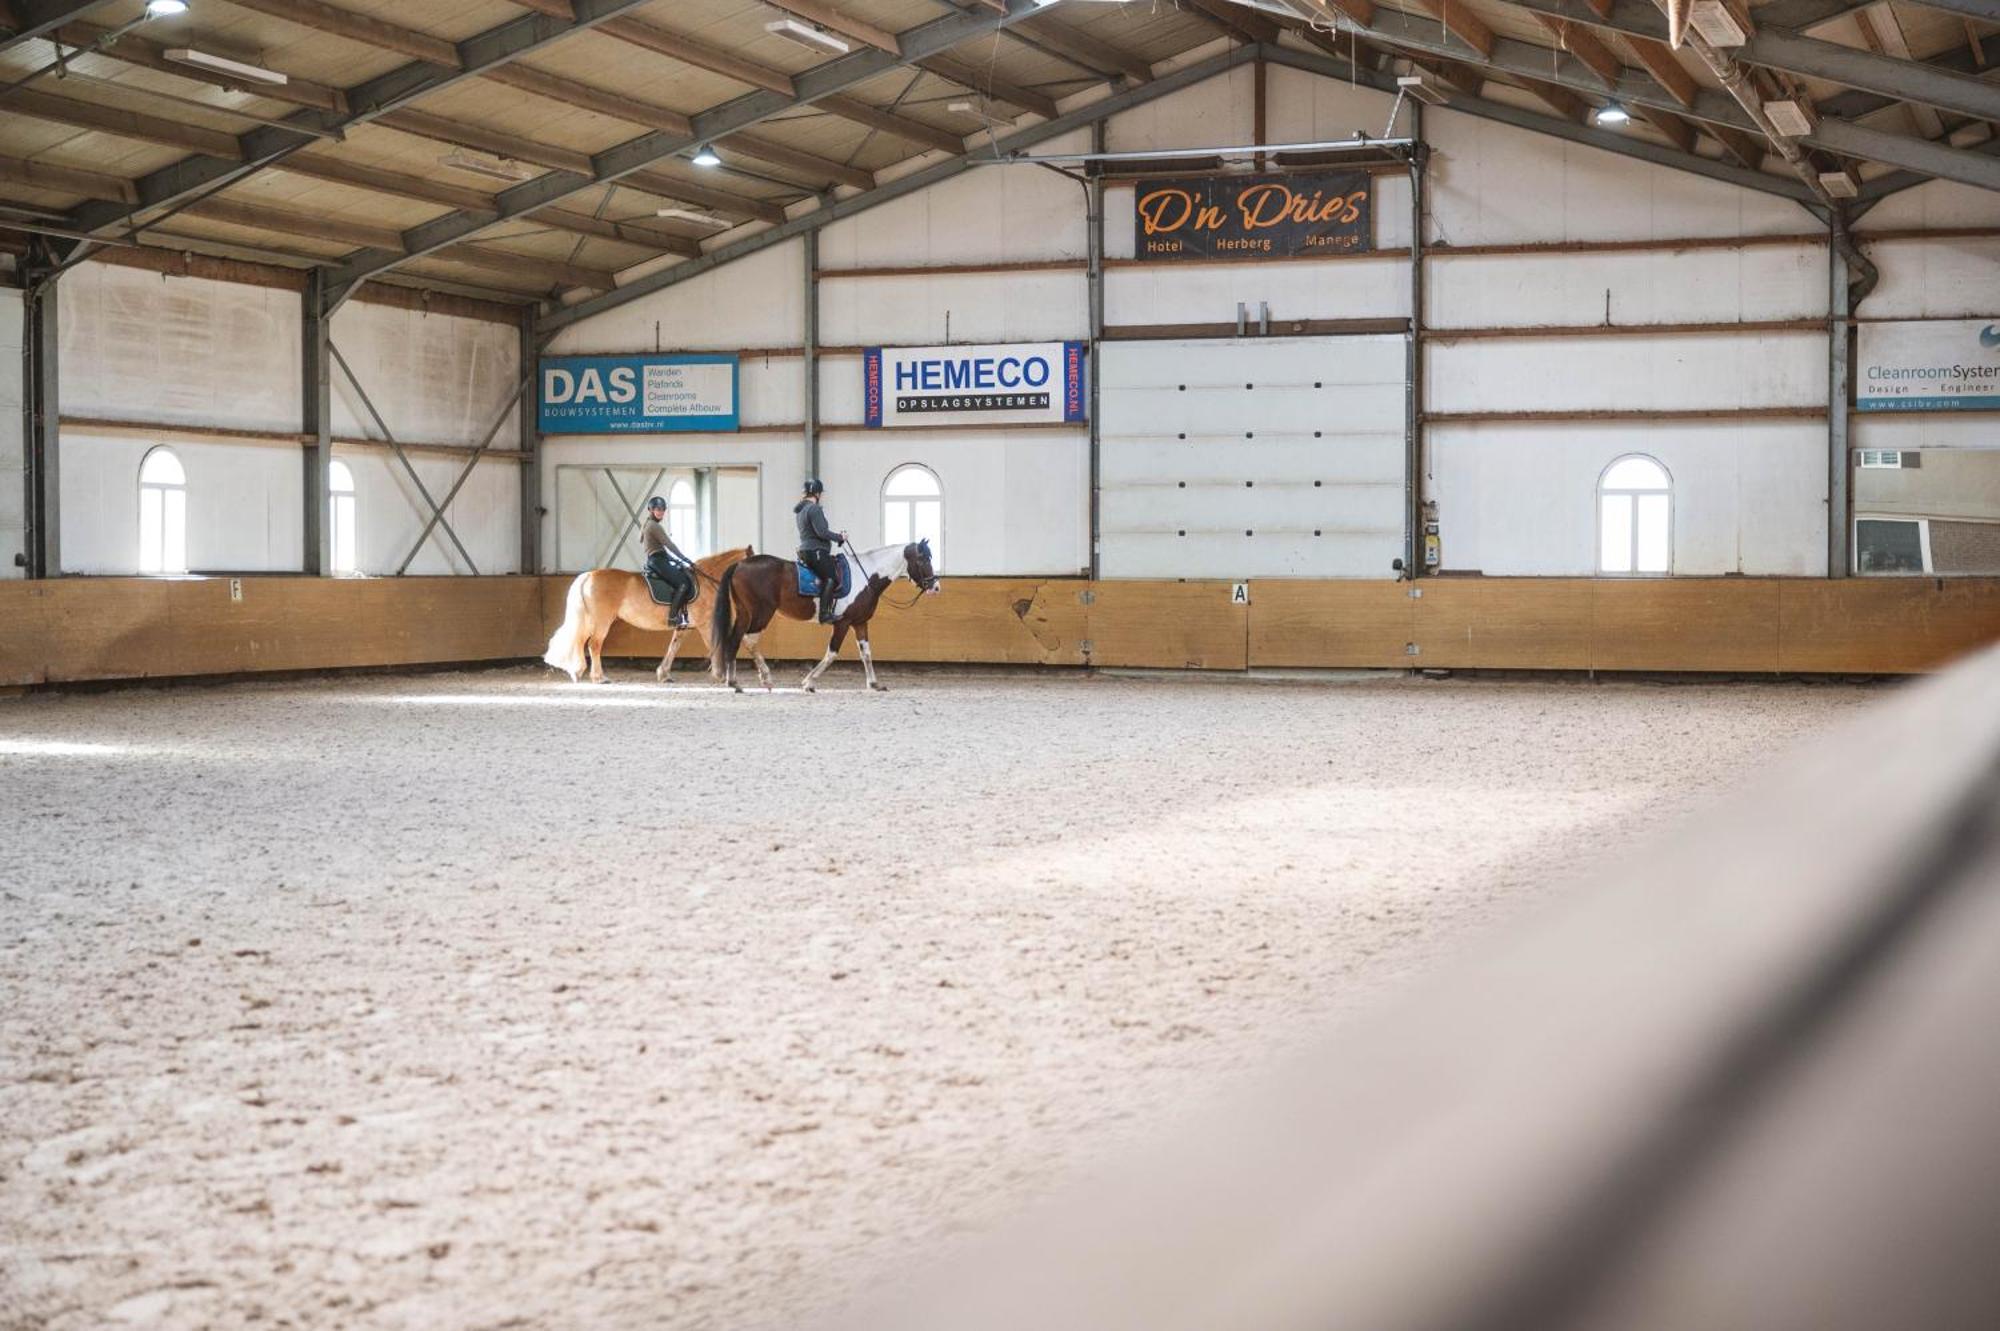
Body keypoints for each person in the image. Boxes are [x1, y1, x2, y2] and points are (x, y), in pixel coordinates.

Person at [638, 495, 696, 628]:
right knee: (683, 583)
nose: (661, 512)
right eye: (658, 509)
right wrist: (686, 559)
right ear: (651, 510)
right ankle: (673, 617)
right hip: (658, 560)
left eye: (663, 509)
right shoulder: (654, 526)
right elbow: (669, 545)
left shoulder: (648, 524)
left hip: (659, 559)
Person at [794, 479, 847, 624]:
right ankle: (824, 614)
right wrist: (840, 537)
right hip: (816, 551)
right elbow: (822, 532)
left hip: (805, 551)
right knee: (831, 577)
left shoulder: (801, 511)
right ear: (817, 493)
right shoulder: (814, 509)